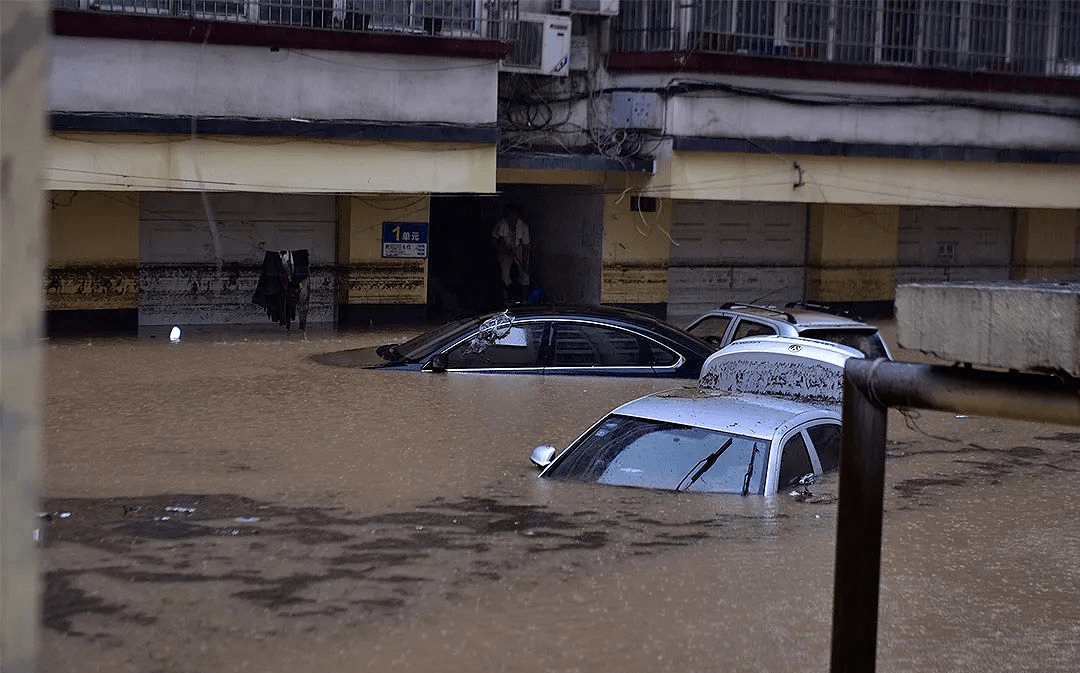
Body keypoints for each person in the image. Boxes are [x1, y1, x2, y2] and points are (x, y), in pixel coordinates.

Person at [491, 203, 530, 304]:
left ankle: (524, 301)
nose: (512, 218)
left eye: (515, 215)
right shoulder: (501, 225)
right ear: (507, 216)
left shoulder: (524, 227)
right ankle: (506, 300)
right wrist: (504, 251)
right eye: (510, 215)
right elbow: (495, 240)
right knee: (504, 274)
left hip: (518, 247)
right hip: (504, 248)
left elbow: (526, 246)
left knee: (525, 274)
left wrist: (524, 262)